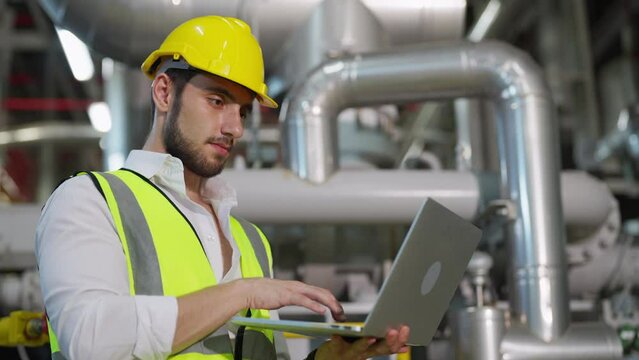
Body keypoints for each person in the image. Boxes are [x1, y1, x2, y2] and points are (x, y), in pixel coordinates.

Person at [36, 15, 410, 359]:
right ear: (164, 93)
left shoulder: (251, 241)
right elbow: (88, 340)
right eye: (217, 101)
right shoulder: (90, 201)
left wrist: (330, 358)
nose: (236, 128)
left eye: (243, 111)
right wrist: (241, 292)